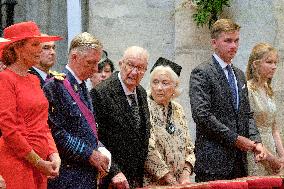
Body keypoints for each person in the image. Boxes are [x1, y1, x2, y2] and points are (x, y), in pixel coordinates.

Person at [189, 18, 266, 182]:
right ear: (214, 43)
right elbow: (202, 116)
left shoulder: (239, 74)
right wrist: (236, 139)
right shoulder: (202, 72)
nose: (234, 46)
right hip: (213, 164)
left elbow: (247, 114)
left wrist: (256, 141)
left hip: (239, 163)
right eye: (228, 41)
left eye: (236, 40)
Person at [43, 32, 111, 189]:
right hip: (68, 177)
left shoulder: (82, 87)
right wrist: (89, 154)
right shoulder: (55, 86)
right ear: (74, 57)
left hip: (86, 176)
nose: (95, 69)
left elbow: (87, 129)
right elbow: (56, 133)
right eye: (90, 63)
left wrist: (101, 149)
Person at [0, 21, 61, 189]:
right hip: (17, 162)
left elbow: (43, 124)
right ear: (18, 48)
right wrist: (38, 161)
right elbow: (9, 130)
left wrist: (54, 154)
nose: (40, 49)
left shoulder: (34, 79)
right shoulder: (5, 79)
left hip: (40, 164)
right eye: (35, 44)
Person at [91, 46, 151, 189]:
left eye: (141, 68)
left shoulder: (141, 92)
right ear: (120, 64)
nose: (134, 72)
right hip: (112, 179)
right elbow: (95, 139)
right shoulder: (101, 93)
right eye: (130, 65)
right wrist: (114, 172)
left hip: (135, 178)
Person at [144, 57, 195, 186]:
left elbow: (189, 146)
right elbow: (148, 148)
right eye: (155, 82)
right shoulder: (144, 107)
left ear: (175, 87)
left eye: (165, 83)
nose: (159, 88)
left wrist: (185, 174)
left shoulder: (178, 109)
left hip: (180, 182)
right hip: (154, 182)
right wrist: (170, 180)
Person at [246, 43, 284, 175]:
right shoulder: (248, 89)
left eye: (275, 63)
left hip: (271, 146)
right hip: (256, 149)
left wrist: (282, 156)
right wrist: (268, 156)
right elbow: (247, 125)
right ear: (256, 64)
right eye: (269, 62)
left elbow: (274, 128)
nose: (274, 67)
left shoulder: (268, 89)